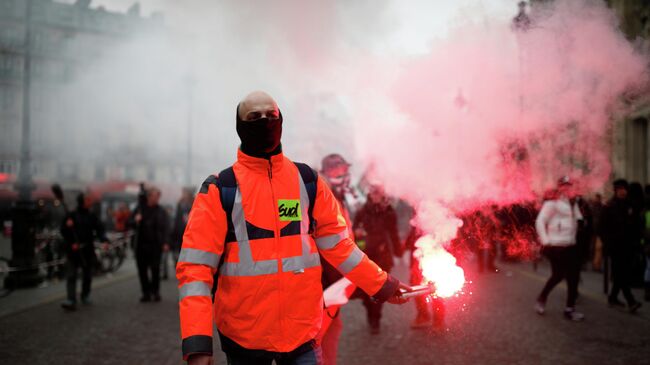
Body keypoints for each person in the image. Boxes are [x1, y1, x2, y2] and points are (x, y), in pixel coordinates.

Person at [176, 91, 409, 365]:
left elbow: (339, 246)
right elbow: (195, 269)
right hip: (245, 338)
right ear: (240, 126)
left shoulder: (308, 181)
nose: (264, 121)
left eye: (271, 115)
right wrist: (197, 344)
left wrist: (382, 285)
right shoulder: (220, 188)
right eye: (254, 117)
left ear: (281, 120)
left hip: (303, 335)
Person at [316, 153, 354, 365]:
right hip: (323, 283)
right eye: (340, 170)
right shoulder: (323, 196)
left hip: (335, 280)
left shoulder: (338, 196)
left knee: (333, 329)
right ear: (329, 172)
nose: (345, 174)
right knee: (317, 339)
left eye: (346, 170)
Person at [353, 184, 403, 334]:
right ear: (369, 193)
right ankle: (370, 313)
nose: (375, 195)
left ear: (382, 194)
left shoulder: (389, 212)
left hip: (383, 256)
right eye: (373, 192)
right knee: (365, 292)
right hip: (365, 256)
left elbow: (393, 233)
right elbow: (354, 230)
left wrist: (399, 251)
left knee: (381, 289)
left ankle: (376, 318)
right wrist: (358, 234)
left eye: (378, 192)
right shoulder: (362, 212)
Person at [534, 176, 585, 321]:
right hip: (556, 246)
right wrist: (546, 240)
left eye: (569, 186)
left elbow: (578, 218)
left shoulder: (573, 202)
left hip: (570, 244)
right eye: (564, 185)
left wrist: (581, 222)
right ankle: (542, 298)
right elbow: (540, 221)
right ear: (559, 187)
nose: (567, 188)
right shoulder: (552, 202)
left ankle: (570, 309)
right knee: (558, 275)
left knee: (573, 277)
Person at [60, 193, 108, 311]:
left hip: (87, 249)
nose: (90, 201)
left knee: (87, 275)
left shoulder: (92, 216)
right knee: (71, 275)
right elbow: (63, 231)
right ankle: (71, 299)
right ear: (82, 201)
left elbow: (99, 229)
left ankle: (85, 295)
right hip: (73, 250)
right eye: (88, 199)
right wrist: (68, 229)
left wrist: (104, 240)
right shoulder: (72, 215)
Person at [601, 179, 642, 312]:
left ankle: (613, 298)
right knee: (621, 273)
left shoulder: (631, 205)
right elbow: (601, 228)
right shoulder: (609, 206)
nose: (622, 192)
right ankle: (631, 301)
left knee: (621, 274)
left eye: (624, 189)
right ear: (615, 191)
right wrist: (607, 244)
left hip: (629, 245)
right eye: (619, 189)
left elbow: (636, 225)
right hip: (615, 246)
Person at [133, 187, 169, 302]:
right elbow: (129, 223)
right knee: (142, 270)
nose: (157, 198)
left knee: (155, 269)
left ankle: (155, 291)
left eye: (158, 196)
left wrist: (166, 242)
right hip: (141, 245)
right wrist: (135, 220)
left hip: (155, 245)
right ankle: (146, 292)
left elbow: (166, 228)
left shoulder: (161, 211)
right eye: (155, 196)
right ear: (149, 197)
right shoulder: (139, 209)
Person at [164, 187, 194, 280]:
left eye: (185, 193)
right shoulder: (179, 204)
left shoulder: (194, 203)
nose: (183, 195)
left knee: (188, 256)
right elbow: (177, 220)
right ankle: (181, 272)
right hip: (179, 235)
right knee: (177, 256)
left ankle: (187, 272)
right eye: (183, 193)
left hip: (190, 234)